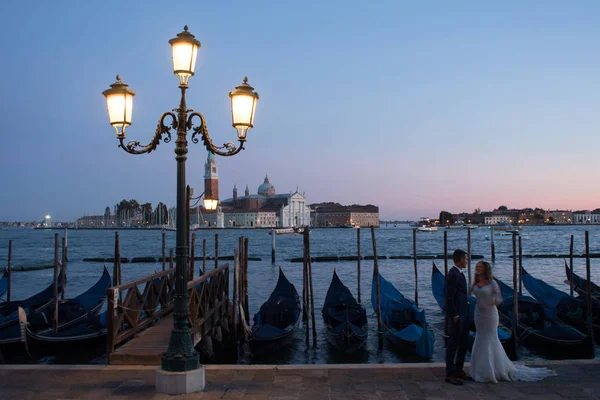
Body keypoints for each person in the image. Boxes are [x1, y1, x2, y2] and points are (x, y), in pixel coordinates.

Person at [469, 261, 556, 383]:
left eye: (480, 267)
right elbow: (469, 294)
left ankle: (493, 369)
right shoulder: (475, 283)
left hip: (489, 314)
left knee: (490, 338)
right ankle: (479, 369)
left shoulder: (493, 283)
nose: (477, 269)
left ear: (485, 269)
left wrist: (487, 302)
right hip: (478, 314)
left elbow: (499, 300)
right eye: (477, 267)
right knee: (480, 337)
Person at [445, 249, 471, 385]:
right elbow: (449, 297)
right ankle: (450, 373)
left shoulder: (459, 273)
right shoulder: (453, 274)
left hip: (464, 313)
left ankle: (458, 369)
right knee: (453, 344)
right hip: (457, 315)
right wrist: (454, 314)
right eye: (466, 259)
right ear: (461, 260)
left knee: (463, 343)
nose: (467, 261)